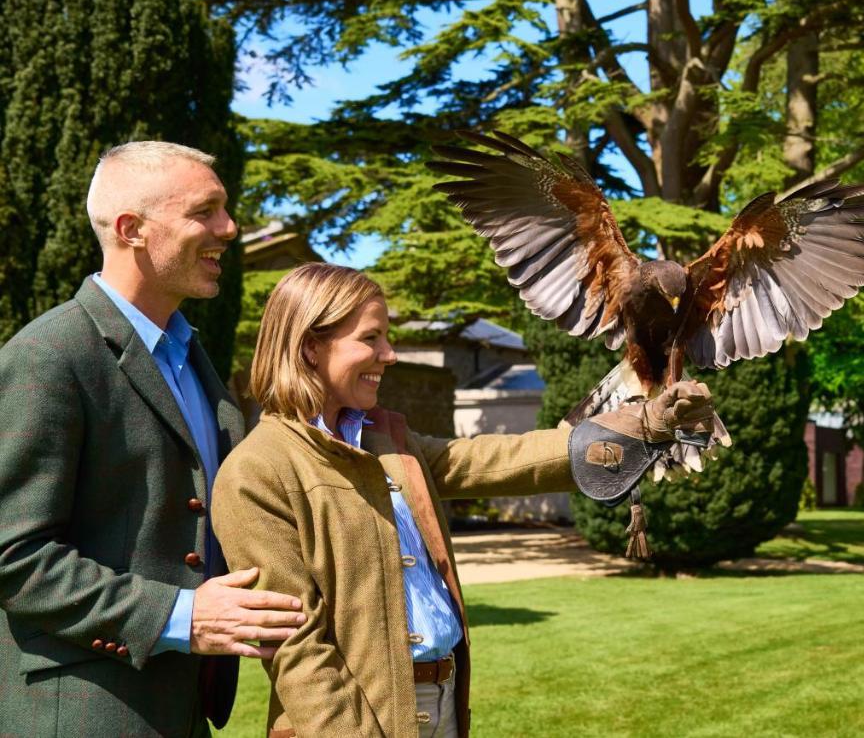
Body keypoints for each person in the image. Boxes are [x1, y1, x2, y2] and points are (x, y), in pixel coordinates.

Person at [212, 262, 713, 737]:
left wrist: (639, 425)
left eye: (387, 337)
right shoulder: (258, 472)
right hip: (359, 719)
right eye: (370, 339)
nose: (389, 354)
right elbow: (298, 648)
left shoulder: (384, 439)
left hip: (443, 696)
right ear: (309, 349)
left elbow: (488, 459)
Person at [0, 142, 307, 737]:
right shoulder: (48, 356)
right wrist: (180, 614)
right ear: (131, 229)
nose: (230, 228)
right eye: (205, 211)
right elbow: (12, 557)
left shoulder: (188, 355)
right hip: (86, 714)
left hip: (184, 709)